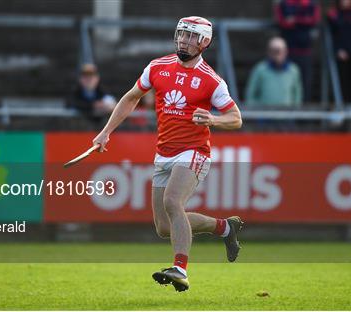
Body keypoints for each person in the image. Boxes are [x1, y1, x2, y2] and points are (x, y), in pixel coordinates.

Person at [92, 16, 243, 292]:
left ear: (204, 42)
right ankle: (224, 228)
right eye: (181, 35)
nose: (183, 40)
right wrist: (106, 132)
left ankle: (180, 270)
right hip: (164, 153)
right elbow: (130, 98)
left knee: (173, 202)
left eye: (190, 36)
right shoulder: (157, 67)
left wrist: (212, 119)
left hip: (194, 151)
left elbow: (236, 118)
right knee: (164, 226)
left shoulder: (212, 81)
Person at [275, 0, 320, 102]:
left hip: (305, 52)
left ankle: (304, 114)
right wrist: (303, 21)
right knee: (286, 84)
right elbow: (282, 22)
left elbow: (314, 20)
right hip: (287, 52)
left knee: (305, 85)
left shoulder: (311, 4)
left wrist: (295, 20)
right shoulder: (283, 4)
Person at [245, 37, 303, 107]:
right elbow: (250, 94)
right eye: (273, 51)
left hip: (287, 115)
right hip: (264, 115)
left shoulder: (293, 70)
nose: (276, 54)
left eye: (279, 51)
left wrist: (295, 112)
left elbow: (297, 95)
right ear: (268, 52)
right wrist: (257, 110)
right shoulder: (260, 69)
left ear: (285, 52)